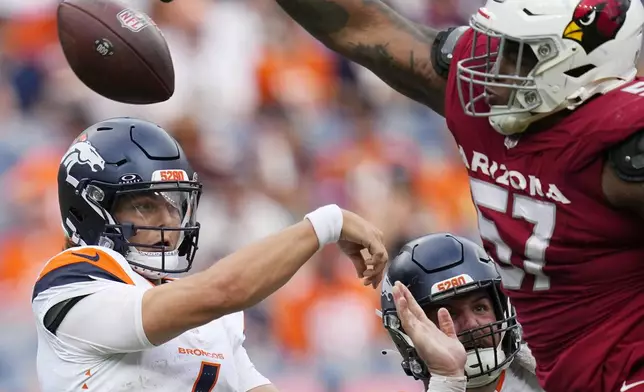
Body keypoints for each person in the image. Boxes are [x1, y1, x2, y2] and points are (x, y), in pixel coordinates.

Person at [264, 0, 644, 390]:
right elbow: (362, 30)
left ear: (584, 64)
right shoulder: (484, 101)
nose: (495, 69)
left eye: (520, 53)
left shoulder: (624, 144)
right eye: (500, 47)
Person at [31, 117, 388, 392]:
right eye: (143, 207)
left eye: (174, 205)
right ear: (88, 209)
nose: (168, 223)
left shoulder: (208, 317)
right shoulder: (71, 284)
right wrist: (326, 224)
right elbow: (222, 291)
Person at [379, 233, 542, 392]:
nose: (471, 324)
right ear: (409, 332)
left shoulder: (550, 378)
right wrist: (447, 379)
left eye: (480, 308)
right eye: (448, 315)